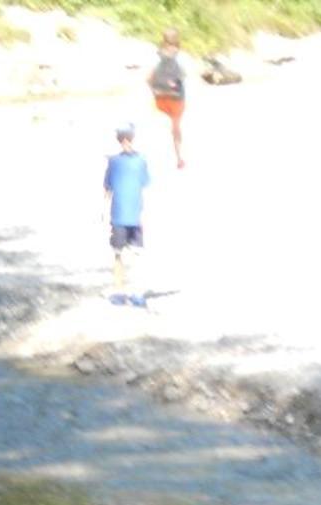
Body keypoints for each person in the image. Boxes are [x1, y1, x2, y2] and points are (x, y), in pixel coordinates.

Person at [103, 122, 150, 305]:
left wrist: (101, 212)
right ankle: (131, 293)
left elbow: (107, 189)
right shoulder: (139, 161)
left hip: (122, 216)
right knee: (128, 254)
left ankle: (123, 292)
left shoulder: (114, 162)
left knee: (120, 254)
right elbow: (144, 184)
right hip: (129, 215)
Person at [148, 28, 186, 168]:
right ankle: (178, 156)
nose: (171, 46)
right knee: (175, 127)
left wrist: (154, 90)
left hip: (167, 96)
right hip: (172, 96)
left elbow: (150, 78)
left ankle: (179, 157)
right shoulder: (171, 54)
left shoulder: (164, 54)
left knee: (174, 127)